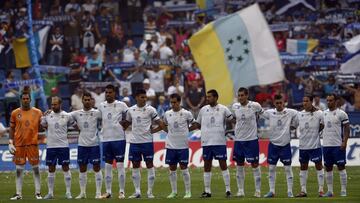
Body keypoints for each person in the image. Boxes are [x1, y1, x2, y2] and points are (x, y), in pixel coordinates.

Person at [121, 89, 165, 199]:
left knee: (149, 165)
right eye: (142, 97)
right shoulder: (131, 110)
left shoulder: (151, 110)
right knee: (135, 166)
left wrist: (153, 131)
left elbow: (161, 124)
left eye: (145, 97)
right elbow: (126, 124)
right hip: (134, 142)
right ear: (136, 97)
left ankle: (150, 192)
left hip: (147, 143)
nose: (144, 99)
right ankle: (137, 192)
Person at [191, 89, 233, 198]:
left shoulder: (224, 109)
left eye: (209, 96)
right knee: (207, 166)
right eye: (207, 96)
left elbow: (232, 120)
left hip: (219, 142)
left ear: (215, 97)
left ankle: (228, 190)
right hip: (206, 142)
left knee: (223, 165)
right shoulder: (203, 110)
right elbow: (197, 124)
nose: (207, 98)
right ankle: (207, 191)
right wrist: (185, 129)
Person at [262, 94, 298, 198]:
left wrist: (294, 125)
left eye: (280, 103)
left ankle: (290, 191)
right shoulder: (270, 112)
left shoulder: (290, 112)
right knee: (271, 169)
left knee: (287, 169)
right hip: (273, 145)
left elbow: (300, 115)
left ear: (284, 102)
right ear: (274, 103)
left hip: (285, 145)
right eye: (277, 103)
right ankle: (272, 191)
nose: (279, 105)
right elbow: (259, 112)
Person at [9, 92, 43, 200]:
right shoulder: (15, 113)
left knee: (36, 169)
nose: (25, 100)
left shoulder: (38, 112)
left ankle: (38, 193)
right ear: (20, 100)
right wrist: (10, 142)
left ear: (30, 99)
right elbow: (12, 128)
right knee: (19, 170)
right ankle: (18, 194)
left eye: (27, 98)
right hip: (19, 145)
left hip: (33, 144)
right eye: (23, 98)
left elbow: (43, 126)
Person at [98, 85, 128, 199]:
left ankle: (121, 191)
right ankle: (108, 192)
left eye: (110, 92)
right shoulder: (101, 106)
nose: (108, 94)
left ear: (114, 93)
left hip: (119, 139)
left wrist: (126, 124)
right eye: (106, 92)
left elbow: (130, 116)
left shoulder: (122, 105)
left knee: (120, 165)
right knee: (107, 167)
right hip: (106, 140)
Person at [231, 87, 263, 197]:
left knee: (255, 164)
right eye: (238, 95)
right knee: (239, 165)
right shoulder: (235, 107)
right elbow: (234, 119)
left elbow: (261, 115)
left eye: (242, 95)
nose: (240, 97)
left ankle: (258, 191)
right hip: (239, 140)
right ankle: (240, 190)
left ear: (247, 95)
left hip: (251, 140)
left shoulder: (255, 106)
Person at [41, 97, 75, 199]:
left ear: (60, 104)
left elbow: (73, 124)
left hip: (63, 146)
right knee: (51, 169)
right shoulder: (47, 115)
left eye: (55, 104)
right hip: (51, 146)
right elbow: (43, 125)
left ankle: (68, 192)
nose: (53, 106)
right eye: (52, 104)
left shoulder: (67, 115)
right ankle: (50, 193)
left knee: (65, 168)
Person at [70, 92, 103, 199]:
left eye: (89, 100)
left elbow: (107, 118)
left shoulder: (97, 113)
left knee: (97, 168)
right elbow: (63, 116)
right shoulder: (76, 113)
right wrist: (50, 112)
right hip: (82, 145)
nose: (87, 101)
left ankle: (98, 193)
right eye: (85, 100)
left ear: (91, 101)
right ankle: (82, 193)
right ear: (82, 100)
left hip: (94, 145)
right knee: (82, 169)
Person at [163, 93, 194, 199]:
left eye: (175, 102)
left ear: (179, 102)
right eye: (171, 102)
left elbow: (194, 124)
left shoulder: (186, 113)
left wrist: (186, 131)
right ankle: (174, 192)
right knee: (172, 169)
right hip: (171, 146)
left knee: (184, 168)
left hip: (183, 146)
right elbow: (164, 125)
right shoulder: (167, 114)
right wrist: (169, 133)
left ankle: (188, 192)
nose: (172, 104)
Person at [295, 95, 325, 197]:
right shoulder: (300, 114)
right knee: (303, 167)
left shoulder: (319, 113)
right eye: (303, 101)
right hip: (303, 146)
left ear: (311, 102)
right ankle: (303, 191)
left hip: (315, 146)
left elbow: (323, 124)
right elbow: (294, 125)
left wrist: (318, 131)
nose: (304, 103)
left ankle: (321, 190)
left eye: (306, 101)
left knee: (319, 166)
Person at [322, 93, 350, 197]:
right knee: (328, 167)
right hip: (326, 145)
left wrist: (344, 142)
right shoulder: (323, 113)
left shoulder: (342, 114)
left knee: (341, 167)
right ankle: (330, 191)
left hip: (338, 145)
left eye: (331, 100)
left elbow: (347, 128)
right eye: (327, 100)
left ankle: (343, 191)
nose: (329, 102)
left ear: (336, 101)